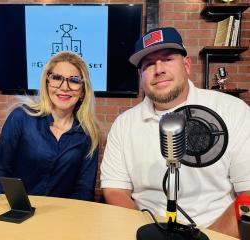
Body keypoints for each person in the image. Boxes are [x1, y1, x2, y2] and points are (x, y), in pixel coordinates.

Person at [100, 27, 250, 238]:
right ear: (140, 75)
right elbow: (115, 189)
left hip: (214, 233)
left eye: (168, 59)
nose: (158, 69)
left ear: (187, 65)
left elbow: (248, 193)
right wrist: (139, 233)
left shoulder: (233, 111)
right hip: (146, 231)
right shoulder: (124, 124)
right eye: (149, 64)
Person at [0, 51, 100, 201]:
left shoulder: (89, 134)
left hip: (63, 219)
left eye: (73, 80)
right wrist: (19, 207)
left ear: (82, 91)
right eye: (57, 78)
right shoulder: (21, 118)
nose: (64, 87)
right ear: (47, 84)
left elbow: (84, 190)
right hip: (18, 214)